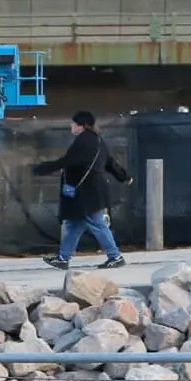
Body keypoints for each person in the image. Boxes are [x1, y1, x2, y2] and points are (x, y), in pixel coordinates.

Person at [33, 111, 131, 270]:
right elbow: (109, 162)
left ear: (82, 125)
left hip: (87, 191)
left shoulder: (83, 141)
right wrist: (124, 176)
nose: (71, 126)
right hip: (91, 189)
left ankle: (115, 256)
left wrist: (45, 168)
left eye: (73, 123)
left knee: (96, 223)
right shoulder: (97, 140)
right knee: (74, 224)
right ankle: (63, 257)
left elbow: (70, 161)